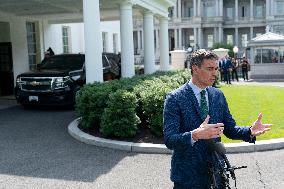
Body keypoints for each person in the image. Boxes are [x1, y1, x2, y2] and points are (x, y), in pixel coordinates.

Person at [163, 49, 272, 189]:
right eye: (210, 69)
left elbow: (230, 129)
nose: (215, 73)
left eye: (216, 69)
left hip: (216, 174)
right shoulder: (175, 98)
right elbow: (170, 140)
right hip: (188, 177)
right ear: (195, 68)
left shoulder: (217, 95)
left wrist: (250, 131)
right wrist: (195, 134)